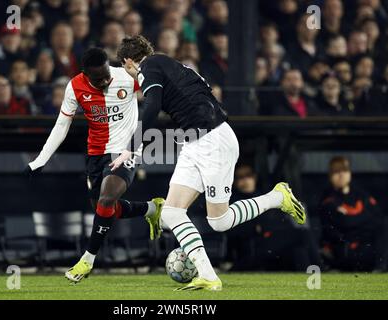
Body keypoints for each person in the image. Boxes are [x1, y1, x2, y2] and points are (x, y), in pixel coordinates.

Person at [113, 35, 306, 291]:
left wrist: (131, 146)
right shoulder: (170, 65)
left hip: (212, 140)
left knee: (219, 221)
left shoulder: (149, 67)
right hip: (196, 140)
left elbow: (152, 106)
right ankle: (208, 276)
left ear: (128, 61)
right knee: (171, 212)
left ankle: (276, 198)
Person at [24, 48, 164, 283]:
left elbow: (158, 88)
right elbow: (61, 126)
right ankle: (151, 209)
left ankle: (87, 261)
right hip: (95, 153)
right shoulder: (74, 87)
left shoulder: (125, 76)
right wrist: (40, 161)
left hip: (126, 149)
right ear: (85, 74)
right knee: (106, 208)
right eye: (98, 79)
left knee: (106, 200)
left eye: (107, 75)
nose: (106, 81)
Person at [318, 157, 388, 271]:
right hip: (343, 249)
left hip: (366, 247)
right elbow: (344, 223)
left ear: (350, 173)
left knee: (384, 226)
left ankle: (380, 269)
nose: (341, 174)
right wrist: (364, 219)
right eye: (336, 171)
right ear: (330, 176)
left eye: (344, 170)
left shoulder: (361, 195)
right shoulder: (328, 199)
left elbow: (378, 217)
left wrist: (353, 220)